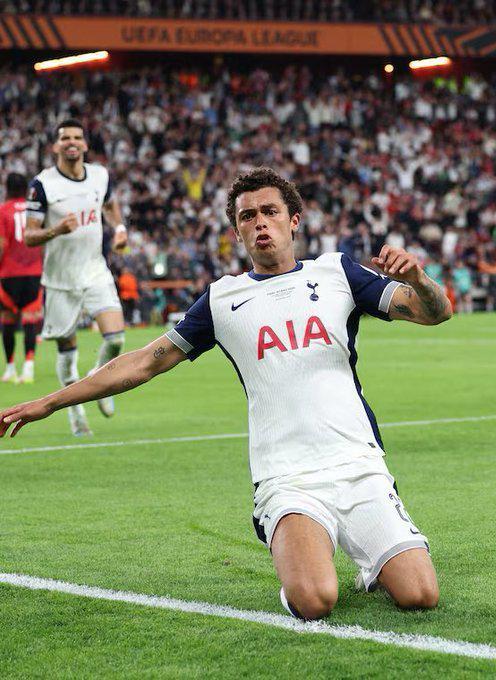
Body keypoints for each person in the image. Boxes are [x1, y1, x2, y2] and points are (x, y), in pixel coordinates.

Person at [0, 168, 452, 619]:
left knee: (420, 594)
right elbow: (144, 362)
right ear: (237, 231)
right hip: (288, 478)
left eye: (270, 211)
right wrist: (49, 402)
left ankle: (370, 566)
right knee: (315, 601)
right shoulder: (222, 299)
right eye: (247, 216)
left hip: (359, 465)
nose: (260, 222)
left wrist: (418, 279)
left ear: (294, 220)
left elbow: (435, 312)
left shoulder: (337, 272)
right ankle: (304, 565)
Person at [24, 119, 128, 436]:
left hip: (95, 270)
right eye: (65, 138)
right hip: (60, 280)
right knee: (67, 354)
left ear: (85, 144)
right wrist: (56, 230)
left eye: (77, 137)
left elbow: (110, 205)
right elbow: (29, 236)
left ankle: (100, 379)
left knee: (116, 338)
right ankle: (76, 415)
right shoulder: (43, 184)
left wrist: (119, 228)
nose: (71, 142)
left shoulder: (100, 175)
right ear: (55, 146)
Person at [0, 173, 43, 384]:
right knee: (30, 321)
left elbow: (1, 244)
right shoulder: (33, 210)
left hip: (9, 274)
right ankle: (29, 367)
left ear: (6, 187)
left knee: (8, 321)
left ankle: (10, 368)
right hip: (33, 273)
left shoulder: (3, 210)